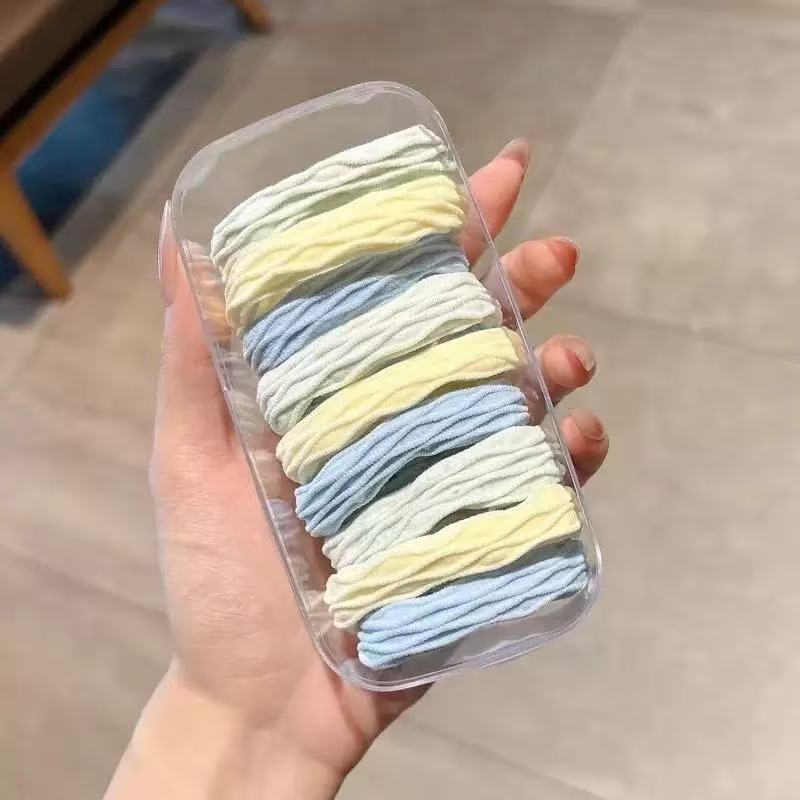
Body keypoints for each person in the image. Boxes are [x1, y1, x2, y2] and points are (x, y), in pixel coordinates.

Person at [105, 139, 609, 799]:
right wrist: (236, 710)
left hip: (394, 587)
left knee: (494, 385)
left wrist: (233, 720)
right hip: (371, 594)